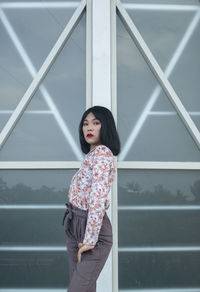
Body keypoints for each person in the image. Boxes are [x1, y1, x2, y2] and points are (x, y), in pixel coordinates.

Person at [62, 105, 120, 292]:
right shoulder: (91, 156)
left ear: (106, 127)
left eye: (96, 123)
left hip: (92, 228)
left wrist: (90, 238)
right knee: (83, 288)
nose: (89, 128)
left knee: (77, 289)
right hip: (75, 222)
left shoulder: (103, 153)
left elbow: (97, 196)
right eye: (85, 124)